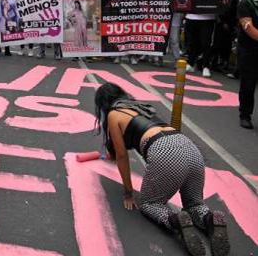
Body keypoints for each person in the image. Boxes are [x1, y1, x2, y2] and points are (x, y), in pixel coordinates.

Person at [93, 83, 229, 256]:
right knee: (194, 203)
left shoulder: (113, 114)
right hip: (190, 148)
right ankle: (210, 219)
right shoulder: (138, 106)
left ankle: (176, 220)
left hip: (163, 150)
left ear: (103, 103)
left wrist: (128, 193)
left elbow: (121, 156)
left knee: (150, 203)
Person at [184, 0, 216, 77]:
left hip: (207, 18)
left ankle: (206, 66)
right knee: (191, 42)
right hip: (191, 17)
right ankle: (191, 63)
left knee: (205, 43)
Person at [237, 0, 258, 129]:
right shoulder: (246, 3)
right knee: (248, 85)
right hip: (249, 49)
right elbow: (248, 26)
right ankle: (245, 115)